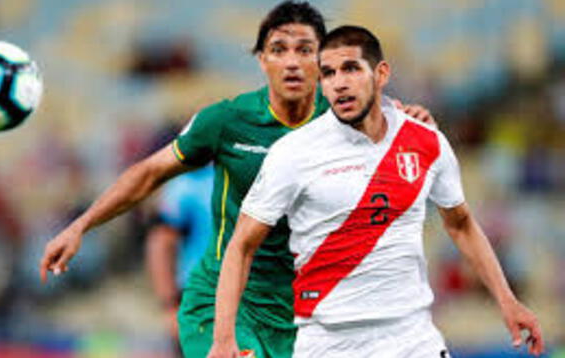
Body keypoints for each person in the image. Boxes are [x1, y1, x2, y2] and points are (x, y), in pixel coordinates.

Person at [40, 2, 434, 357]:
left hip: (302, 314)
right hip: (222, 304)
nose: (292, 62)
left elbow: (406, 154)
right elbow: (149, 174)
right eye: (279, 50)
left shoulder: (353, 121)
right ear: (262, 60)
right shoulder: (227, 121)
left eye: (305, 50)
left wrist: (418, 126)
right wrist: (81, 225)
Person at [209, 26, 544, 357]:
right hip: (329, 342)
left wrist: (508, 301)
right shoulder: (294, 153)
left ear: (381, 74)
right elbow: (241, 246)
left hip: (413, 338)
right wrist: (223, 339)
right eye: (328, 73)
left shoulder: (426, 142)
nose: (339, 82)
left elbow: (461, 225)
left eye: (351, 69)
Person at [146, 165, 214, 356]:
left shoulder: (246, 175)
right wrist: (169, 305)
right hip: (199, 298)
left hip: (244, 296)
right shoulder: (189, 182)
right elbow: (160, 243)